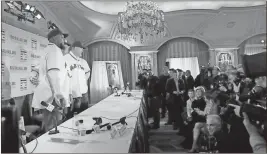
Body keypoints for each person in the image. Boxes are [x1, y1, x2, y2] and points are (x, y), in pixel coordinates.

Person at [31, 29, 72, 132]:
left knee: (50, 123)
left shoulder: (47, 50)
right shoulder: (54, 51)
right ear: (53, 38)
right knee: (53, 125)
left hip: (48, 98)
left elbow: (36, 70)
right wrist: (59, 95)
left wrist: (33, 76)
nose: (64, 39)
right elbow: (54, 74)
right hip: (52, 98)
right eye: (61, 37)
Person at [65, 41, 90, 116]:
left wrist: (83, 81)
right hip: (72, 94)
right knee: (71, 116)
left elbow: (87, 72)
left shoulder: (83, 61)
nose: (82, 50)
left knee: (84, 114)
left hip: (83, 93)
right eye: (81, 48)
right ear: (74, 48)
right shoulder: (65, 59)